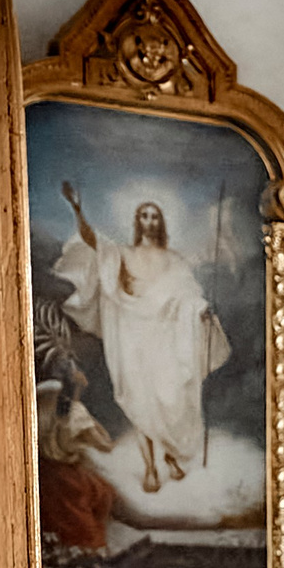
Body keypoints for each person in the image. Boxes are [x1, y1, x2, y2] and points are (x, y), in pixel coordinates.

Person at [54, 184, 230, 495]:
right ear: (138, 222)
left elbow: (188, 294)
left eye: (154, 216)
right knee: (141, 401)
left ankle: (171, 455)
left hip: (165, 339)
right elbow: (95, 243)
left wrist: (200, 309)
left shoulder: (173, 259)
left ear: (160, 222)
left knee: (170, 400)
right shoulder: (124, 254)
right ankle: (151, 468)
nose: (149, 221)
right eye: (144, 216)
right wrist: (78, 210)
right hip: (133, 338)